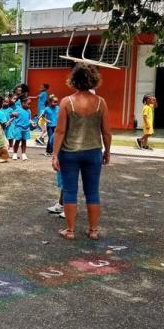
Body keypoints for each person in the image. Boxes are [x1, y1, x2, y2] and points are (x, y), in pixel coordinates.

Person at [52, 64, 112, 241]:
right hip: (93, 152)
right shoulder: (101, 102)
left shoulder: (66, 102)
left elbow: (60, 131)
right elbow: (106, 132)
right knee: (92, 191)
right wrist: (107, 151)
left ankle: (70, 231)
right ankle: (93, 230)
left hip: (69, 152)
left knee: (70, 190)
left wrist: (55, 154)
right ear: (94, 80)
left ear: (74, 80)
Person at [12, 96, 32, 161]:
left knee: (24, 141)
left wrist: (32, 122)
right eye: (28, 104)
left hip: (26, 129)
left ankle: (23, 154)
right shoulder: (18, 109)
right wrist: (13, 114)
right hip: (18, 128)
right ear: (23, 103)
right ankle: (15, 153)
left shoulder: (29, 111)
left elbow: (29, 119)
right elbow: (12, 115)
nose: (29, 105)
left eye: (30, 104)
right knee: (17, 141)